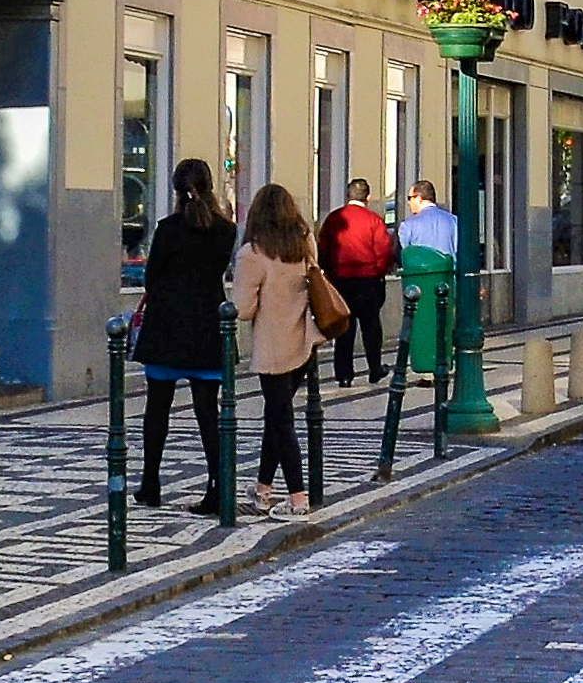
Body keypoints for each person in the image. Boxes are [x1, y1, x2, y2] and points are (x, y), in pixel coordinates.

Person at [131, 160, 236, 514]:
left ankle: (151, 483)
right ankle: (217, 486)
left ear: (177, 190)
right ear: (209, 185)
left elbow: (151, 277)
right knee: (208, 410)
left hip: (166, 326)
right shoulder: (226, 231)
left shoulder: (167, 228)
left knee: (156, 408)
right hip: (207, 325)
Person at [232, 184, 321, 521]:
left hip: (272, 345)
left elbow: (241, 308)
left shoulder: (252, 254)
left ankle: (298, 498)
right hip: (303, 341)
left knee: (281, 420)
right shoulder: (303, 244)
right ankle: (262, 489)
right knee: (276, 415)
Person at [317, 177, 396, 387]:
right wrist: (378, 271)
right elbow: (383, 250)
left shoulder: (334, 219)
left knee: (344, 329)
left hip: (341, 280)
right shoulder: (374, 220)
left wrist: (329, 271)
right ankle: (375, 367)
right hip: (368, 280)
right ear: (368, 198)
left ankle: (344, 374)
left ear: (347, 196)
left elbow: (323, 248)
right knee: (371, 327)